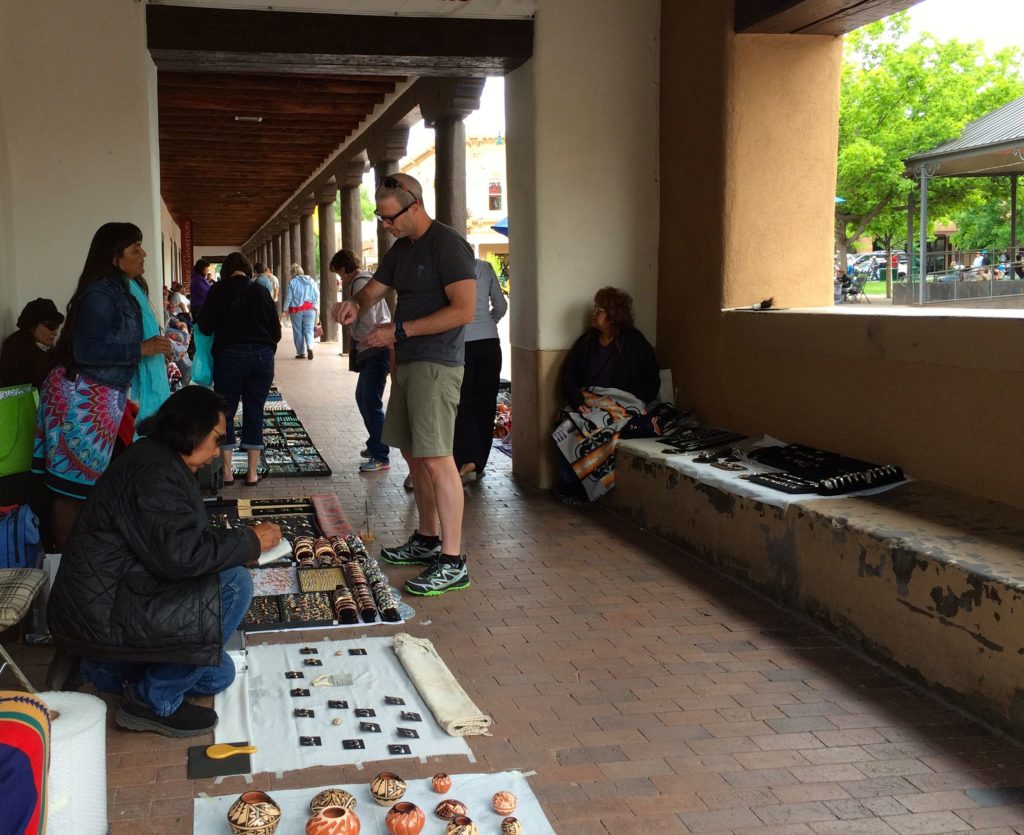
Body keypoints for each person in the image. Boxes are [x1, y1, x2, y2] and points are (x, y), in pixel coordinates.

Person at [46, 386, 282, 737]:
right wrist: (248, 542)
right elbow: (180, 558)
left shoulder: (157, 459)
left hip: (115, 597)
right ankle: (152, 701)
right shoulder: (153, 472)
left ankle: (100, 668)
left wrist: (235, 543)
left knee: (221, 673)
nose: (218, 452)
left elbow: (176, 542)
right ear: (192, 429)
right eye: (216, 439)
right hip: (106, 610)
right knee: (234, 584)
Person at [332, 173, 475, 597]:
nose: (383, 223)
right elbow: (372, 291)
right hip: (409, 362)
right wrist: (352, 305)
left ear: (413, 206)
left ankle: (452, 561)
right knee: (414, 455)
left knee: (437, 458)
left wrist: (400, 331)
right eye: (379, 215)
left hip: (437, 364)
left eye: (388, 215)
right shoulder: (401, 250)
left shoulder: (448, 245)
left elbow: (464, 310)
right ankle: (428, 539)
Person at [33, 222, 172, 550]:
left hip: (99, 397)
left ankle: (81, 561)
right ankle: (66, 566)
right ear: (114, 258)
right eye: (135, 248)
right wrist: (142, 348)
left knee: (86, 487)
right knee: (71, 490)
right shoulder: (100, 292)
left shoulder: (122, 288)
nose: (144, 254)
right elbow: (87, 350)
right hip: (79, 397)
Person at [557, 287, 660, 503]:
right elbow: (568, 376)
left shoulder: (634, 342)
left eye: (600, 309)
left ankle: (587, 490)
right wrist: (577, 402)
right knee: (568, 425)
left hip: (621, 402)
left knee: (602, 426)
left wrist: (624, 402)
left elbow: (652, 380)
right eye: (596, 308)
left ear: (614, 315)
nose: (594, 313)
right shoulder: (586, 342)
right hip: (589, 399)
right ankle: (569, 485)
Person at [196, 251, 281, 487]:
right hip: (263, 357)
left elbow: (204, 326)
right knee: (255, 410)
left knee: (226, 412)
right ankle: (252, 473)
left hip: (230, 356)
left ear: (225, 272)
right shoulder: (261, 290)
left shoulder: (218, 290)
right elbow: (276, 332)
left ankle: (227, 472)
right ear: (248, 270)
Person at [329, 248, 392, 474]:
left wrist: (355, 337)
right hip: (374, 348)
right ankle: (376, 442)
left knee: (369, 401)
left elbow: (364, 319)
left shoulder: (359, 284)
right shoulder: (367, 281)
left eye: (339, 274)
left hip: (374, 348)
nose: (340, 279)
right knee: (364, 398)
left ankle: (381, 453)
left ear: (345, 269)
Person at [453, 259, 508, 484]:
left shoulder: (449, 268)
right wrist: (488, 322)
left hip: (460, 344)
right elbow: (501, 306)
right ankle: (478, 464)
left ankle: (465, 460)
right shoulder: (484, 267)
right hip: (489, 344)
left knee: (462, 403)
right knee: (485, 403)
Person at [0, 298, 64, 389]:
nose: (55, 332)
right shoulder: (19, 354)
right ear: (32, 325)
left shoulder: (43, 349)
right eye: (51, 325)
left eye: (57, 326)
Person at [284, 262, 319, 360]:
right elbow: (317, 294)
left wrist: (284, 309)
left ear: (292, 273)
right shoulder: (311, 280)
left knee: (298, 331)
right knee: (308, 329)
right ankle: (310, 346)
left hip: (296, 309)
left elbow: (289, 297)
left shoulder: (292, 282)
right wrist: (313, 302)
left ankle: (301, 352)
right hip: (309, 308)